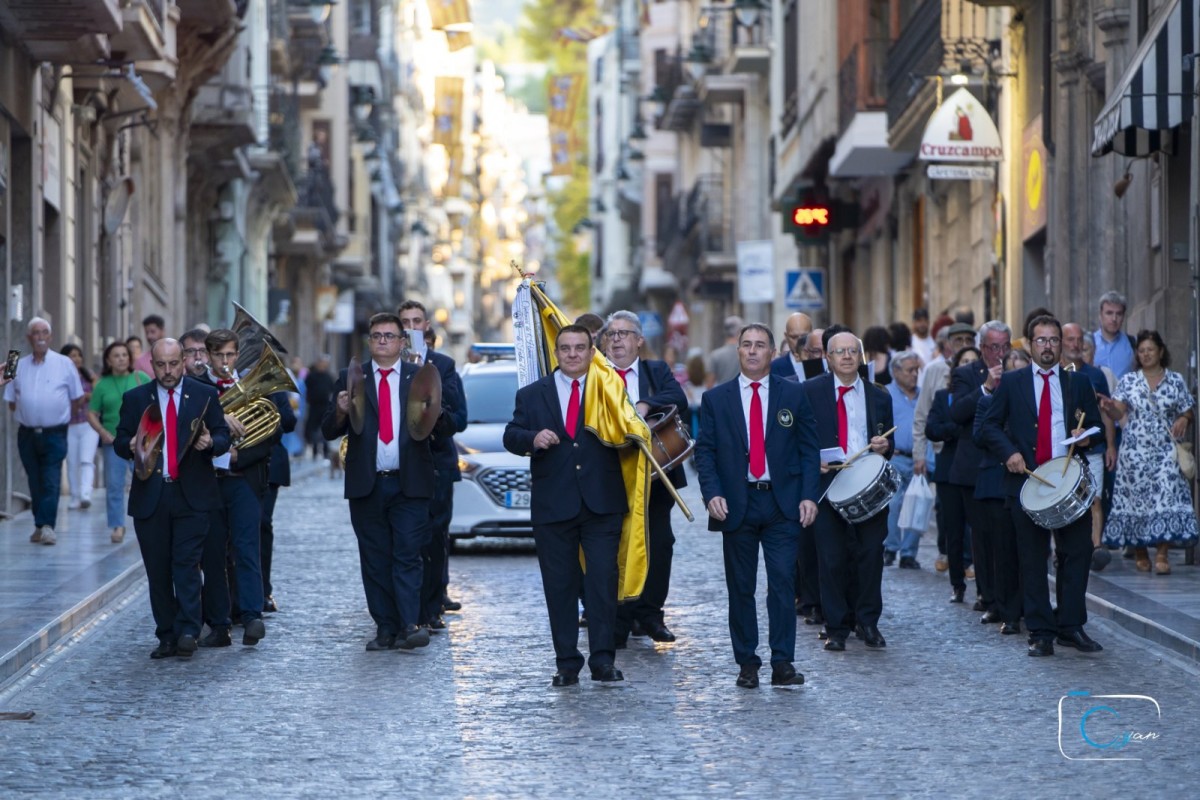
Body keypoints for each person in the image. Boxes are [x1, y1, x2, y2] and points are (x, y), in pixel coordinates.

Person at [503, 325, 629, 686]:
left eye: (580, 348)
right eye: (565, 349)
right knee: (559, 586)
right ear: (555, 353)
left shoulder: (610, 389)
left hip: (601, 503)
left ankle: (603, 661)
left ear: (592, 352)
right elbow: (510, 435)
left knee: (602, 585)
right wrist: (532, 438)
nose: (573, 354)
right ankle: (566, 663)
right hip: (553, 506)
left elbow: (631, 430)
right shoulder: (531, 395)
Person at [694, 323, 818, 688]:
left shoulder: (793, 396)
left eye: (759, 345)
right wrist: (711, 493)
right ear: (738, 352)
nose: (751, 351)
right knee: (741, 587)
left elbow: (810, 449)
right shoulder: (717, 399)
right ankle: (747, 662)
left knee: (782, 583)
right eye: (746, 345)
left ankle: (783, 663)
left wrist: (809, 495)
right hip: (737, 504)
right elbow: (706, 451)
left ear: (771, 352)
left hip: (782, 505)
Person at [977, 315, 1104, 657]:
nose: (1048, 346)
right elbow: (987, 427)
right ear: (1029, 345)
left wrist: (1085, 436)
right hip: (1027, 482)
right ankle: (1040, 631)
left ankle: (1071, 625)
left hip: (1067, 481)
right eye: (1041, 340)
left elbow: (1097, 429)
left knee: (1076, 553)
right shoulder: (1013, 382)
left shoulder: (1077, 384)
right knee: (1032, 558)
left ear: (1061, 345)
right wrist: (1010, 453)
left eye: (1053, 340)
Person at [323, 312, 436, 652]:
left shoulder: (419, 377)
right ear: (369, 342)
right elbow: (329, 429)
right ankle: (385, 627)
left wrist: (436, 412)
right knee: (375, 557)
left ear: (403, 343)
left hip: (409, 483)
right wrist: (341, 410)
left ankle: (409, 624)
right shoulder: (351, 377)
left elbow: (442, 428)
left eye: (389, 336)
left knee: (407, 554)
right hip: (367, 483)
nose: (383, 341)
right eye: (376, 336)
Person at [113, 339, 230, 659]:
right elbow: (120, 440)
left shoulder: (204, 395)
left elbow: (223, 434)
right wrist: (130, 444)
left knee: (187, 565)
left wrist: (211, 442)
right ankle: (166, 634)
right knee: (158, 569)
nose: (168, 371)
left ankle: (189, 629)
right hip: (152, 495)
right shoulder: (136, 398)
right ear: (152, 364)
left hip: (192, 494)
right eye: (161, 365)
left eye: (173, 364)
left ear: (183, 362)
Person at [803, 329, 895, 652]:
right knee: (831, 558)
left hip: (868, 487)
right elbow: (798, 440)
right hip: (828, 488)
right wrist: (812, 460)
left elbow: (890, 443)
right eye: (838, 352)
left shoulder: (880, 396)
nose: (845, 356)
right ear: (827, 359)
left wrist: (885, 446)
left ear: (860, 357)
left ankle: (868, 622)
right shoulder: (809, 392)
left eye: (851, 351)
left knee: (871, 555)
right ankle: (836, 627)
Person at [604, 310, 688, 646]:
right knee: (616, 548)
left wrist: (645, 404)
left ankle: (651, 614)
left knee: (660, 544)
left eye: (624, 333)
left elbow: (678, 398)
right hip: (611, 475)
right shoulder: (598, 374)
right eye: (611, 334)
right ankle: (619, 620)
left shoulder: (655, 371)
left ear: (640, 340)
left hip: (656, 476)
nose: (617, 340)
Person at [196, 328, 283, 648]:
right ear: (207, 355)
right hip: (208, 482)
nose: (225, 361)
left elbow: (271, 433)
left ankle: (251, 616)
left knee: (247, 548)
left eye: (230, 354)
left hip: (244, 478)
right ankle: (219, 624)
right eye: (218, 355)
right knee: (214, 554)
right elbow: (187, 428)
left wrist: (238, 455)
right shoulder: (197, 388)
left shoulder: (251, 387)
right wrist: (221, 417)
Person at [1099, 330, 1199, 574]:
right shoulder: (1130, 381)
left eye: (1150, 350)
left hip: (1166, 449)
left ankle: (1162, 553)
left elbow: (1189, 409)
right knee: (1138, 501)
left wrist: (1185, 418)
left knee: (1168, 494)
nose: (1145, 354)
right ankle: (1141, 552)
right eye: (1141, 350)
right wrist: (1110, 407)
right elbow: (1118, 412)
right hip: (1135, 451)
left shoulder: (1174, 380)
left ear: (1160, 352)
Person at [397, 300, 468, 628]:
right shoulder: (387, 365)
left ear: (426, 326)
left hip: (436, 463)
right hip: (398, 464)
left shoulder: (444, 365)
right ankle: (404, 610)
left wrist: (434, 410)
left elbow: (460, 419)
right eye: (405, 322)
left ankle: (431, 607)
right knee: (403, 540)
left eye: (416, 321)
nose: (411, 327)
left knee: (434, 538)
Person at [950, 320, 1012, 620]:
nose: (999, 354)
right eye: (992, 347)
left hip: (1010, 466)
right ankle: (988, 597)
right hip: (974, 468)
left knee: (1009, 536)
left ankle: (1011, 597)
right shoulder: (966, 374)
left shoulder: (1017, 371)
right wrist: (986, 386)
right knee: (982, 537)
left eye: (1004, 347)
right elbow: (956, 413)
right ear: (981, 347)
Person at [4, 318, 85, 546]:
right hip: (27, 433)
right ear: (29, 337)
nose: (40, 337)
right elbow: (10, 401)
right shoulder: (14, 361)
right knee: (34, 479)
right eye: (35, 333)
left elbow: (77, 398)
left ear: (50, 337)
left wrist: (58, 415)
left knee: (51, 479)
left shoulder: (65, 363)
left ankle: (48, 526)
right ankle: (39, 525)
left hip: (55, 433)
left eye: (44, 332)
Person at [970, 347, 1030, 635]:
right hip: (995, 483)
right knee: (1002, 550)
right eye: (1012, 370)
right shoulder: (988, 402)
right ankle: (1006, 609)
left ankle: (1030, 606)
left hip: (1030, 481)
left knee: (1030, 550)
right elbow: (980, 434)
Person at [926, 346, 981, 603]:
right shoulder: (942, 397)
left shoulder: (985, 395)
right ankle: (957, 584)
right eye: (964, 361)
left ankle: (983, 585)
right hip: (949, 470)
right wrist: (957, 428)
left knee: (979, 530)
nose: (969, 365)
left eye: (973, 361)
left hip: (975, 468)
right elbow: (932, 428)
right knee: (953, 531)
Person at [1061, 323, 1118, 565]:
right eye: (1070, 340)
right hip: (1063, 449)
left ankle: (1096, 547)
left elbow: (1105, 413)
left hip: (1093, 448)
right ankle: (1062, 547)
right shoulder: (1055, 373)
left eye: (1078, 341)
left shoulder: (1095, 376)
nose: (1075, 345)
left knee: (1093, 497)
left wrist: (1110, 445)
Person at [86, 341, 152, 543]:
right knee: (114, 485)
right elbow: (92, 413)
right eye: (116, 355)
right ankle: (117, 525)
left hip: (142, 441)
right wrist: (102, 432)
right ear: (108, 360)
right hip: (113, 442)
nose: (122, 358)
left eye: (124, 354)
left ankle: (149, 519)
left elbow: (154, 407)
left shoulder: (141, 378)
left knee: (145, 481)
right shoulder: (102, 384)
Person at [882, 351, 926, 568]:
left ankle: (909, 553)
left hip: (919, 458)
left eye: (917, 369)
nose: (915, 374)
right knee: (893, 503)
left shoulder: (923, 395)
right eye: (910, 370)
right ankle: (890, 547)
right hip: (895, 457)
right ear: (896, 371)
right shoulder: (886, 394)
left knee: (917, 503)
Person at [60, 344, 99, 512]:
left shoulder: (88, 374)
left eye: (78, 355)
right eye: (71, 355)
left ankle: (85, 494)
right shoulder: (60, 376)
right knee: (72, 461)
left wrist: (86, 396)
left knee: (86, 460)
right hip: (69, 425)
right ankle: (75, 496)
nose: (75, 359)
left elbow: (98, 393)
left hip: (88, 424)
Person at [1092, 290, 1136, 379]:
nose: (1114, 318)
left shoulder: (1133, 343)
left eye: (1119, 314)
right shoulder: (1089, 344)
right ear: (1100, 315)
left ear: (1123, 316)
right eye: (1109, 313)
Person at [305, 355, 335, 461]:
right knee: (313, 429)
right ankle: (314, 451)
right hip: (314, 407)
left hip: (325, 407)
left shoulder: (328, 376)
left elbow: (332, 389)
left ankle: (326, 451)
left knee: (325, 429)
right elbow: (306, 388)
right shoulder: (311, 376)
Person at [770, 313, 813, 377]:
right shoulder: (773, 368)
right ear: (786, 337)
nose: (799, 341)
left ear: (812, 334)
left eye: (804, 336)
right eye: (794, 337)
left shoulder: (823, 363)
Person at [705, 315, 744, 387]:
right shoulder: (744, 353)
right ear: (739, 332)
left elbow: (709, 384)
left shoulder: (715, 355)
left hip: (722, 395)